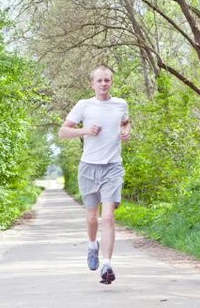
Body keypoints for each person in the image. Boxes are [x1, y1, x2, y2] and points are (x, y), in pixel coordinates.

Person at [58, 65, 131, 284]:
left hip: (113, 167)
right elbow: (62, 132)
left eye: (107, 80)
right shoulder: (84, 105)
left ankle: (107, 265)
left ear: (112, 82)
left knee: (108, 217)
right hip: (89, 167)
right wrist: (84, 131)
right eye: (99, 81)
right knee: (92, 218)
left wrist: (127, 131)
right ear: (92, 84)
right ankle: (92, 245)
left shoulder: (121, 104)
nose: (103, 84)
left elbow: (126, 122)